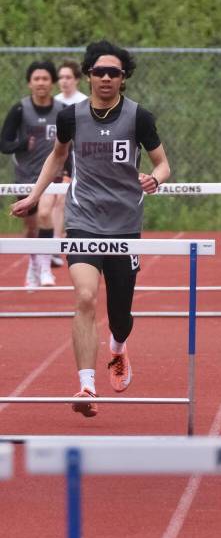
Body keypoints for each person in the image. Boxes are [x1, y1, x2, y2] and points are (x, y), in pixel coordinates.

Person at [11, 40, 170, 418]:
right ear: (89, 74)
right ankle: (86, 384)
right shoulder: (70, 117)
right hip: (83, 221)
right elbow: (58, 156)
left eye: (113, 72)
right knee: (84, 298)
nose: (105, 78)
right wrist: (35, 196)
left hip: (125, 224)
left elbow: (163, 163)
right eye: (99, 71)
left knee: (120, 316)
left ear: (123, 77)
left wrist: (156, 179)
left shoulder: (139, 117)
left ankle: (117, 347)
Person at [1, 60, 63, 287]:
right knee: (30, 227)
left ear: (52, 83)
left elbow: (72, 145)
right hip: (25, 176)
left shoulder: (62, 112)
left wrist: (67, 171)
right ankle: (33, 264)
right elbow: (4, 143)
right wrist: (22, 143)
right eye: (36, 79)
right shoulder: (20, 109)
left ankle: (46, 267)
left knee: (46, 213)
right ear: (29, 83)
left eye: (45, 78)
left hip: (50, 177)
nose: (41, 83)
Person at [50, 59, 89, 264]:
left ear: (77, 80)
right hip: (58, 157)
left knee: (67, 199)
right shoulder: (54, 103)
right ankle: (55, 244)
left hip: (80, 158)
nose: (64, 81)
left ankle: (70, 238)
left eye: (68, 77)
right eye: (61, 78)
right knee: (54, 200)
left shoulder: (84, 102)